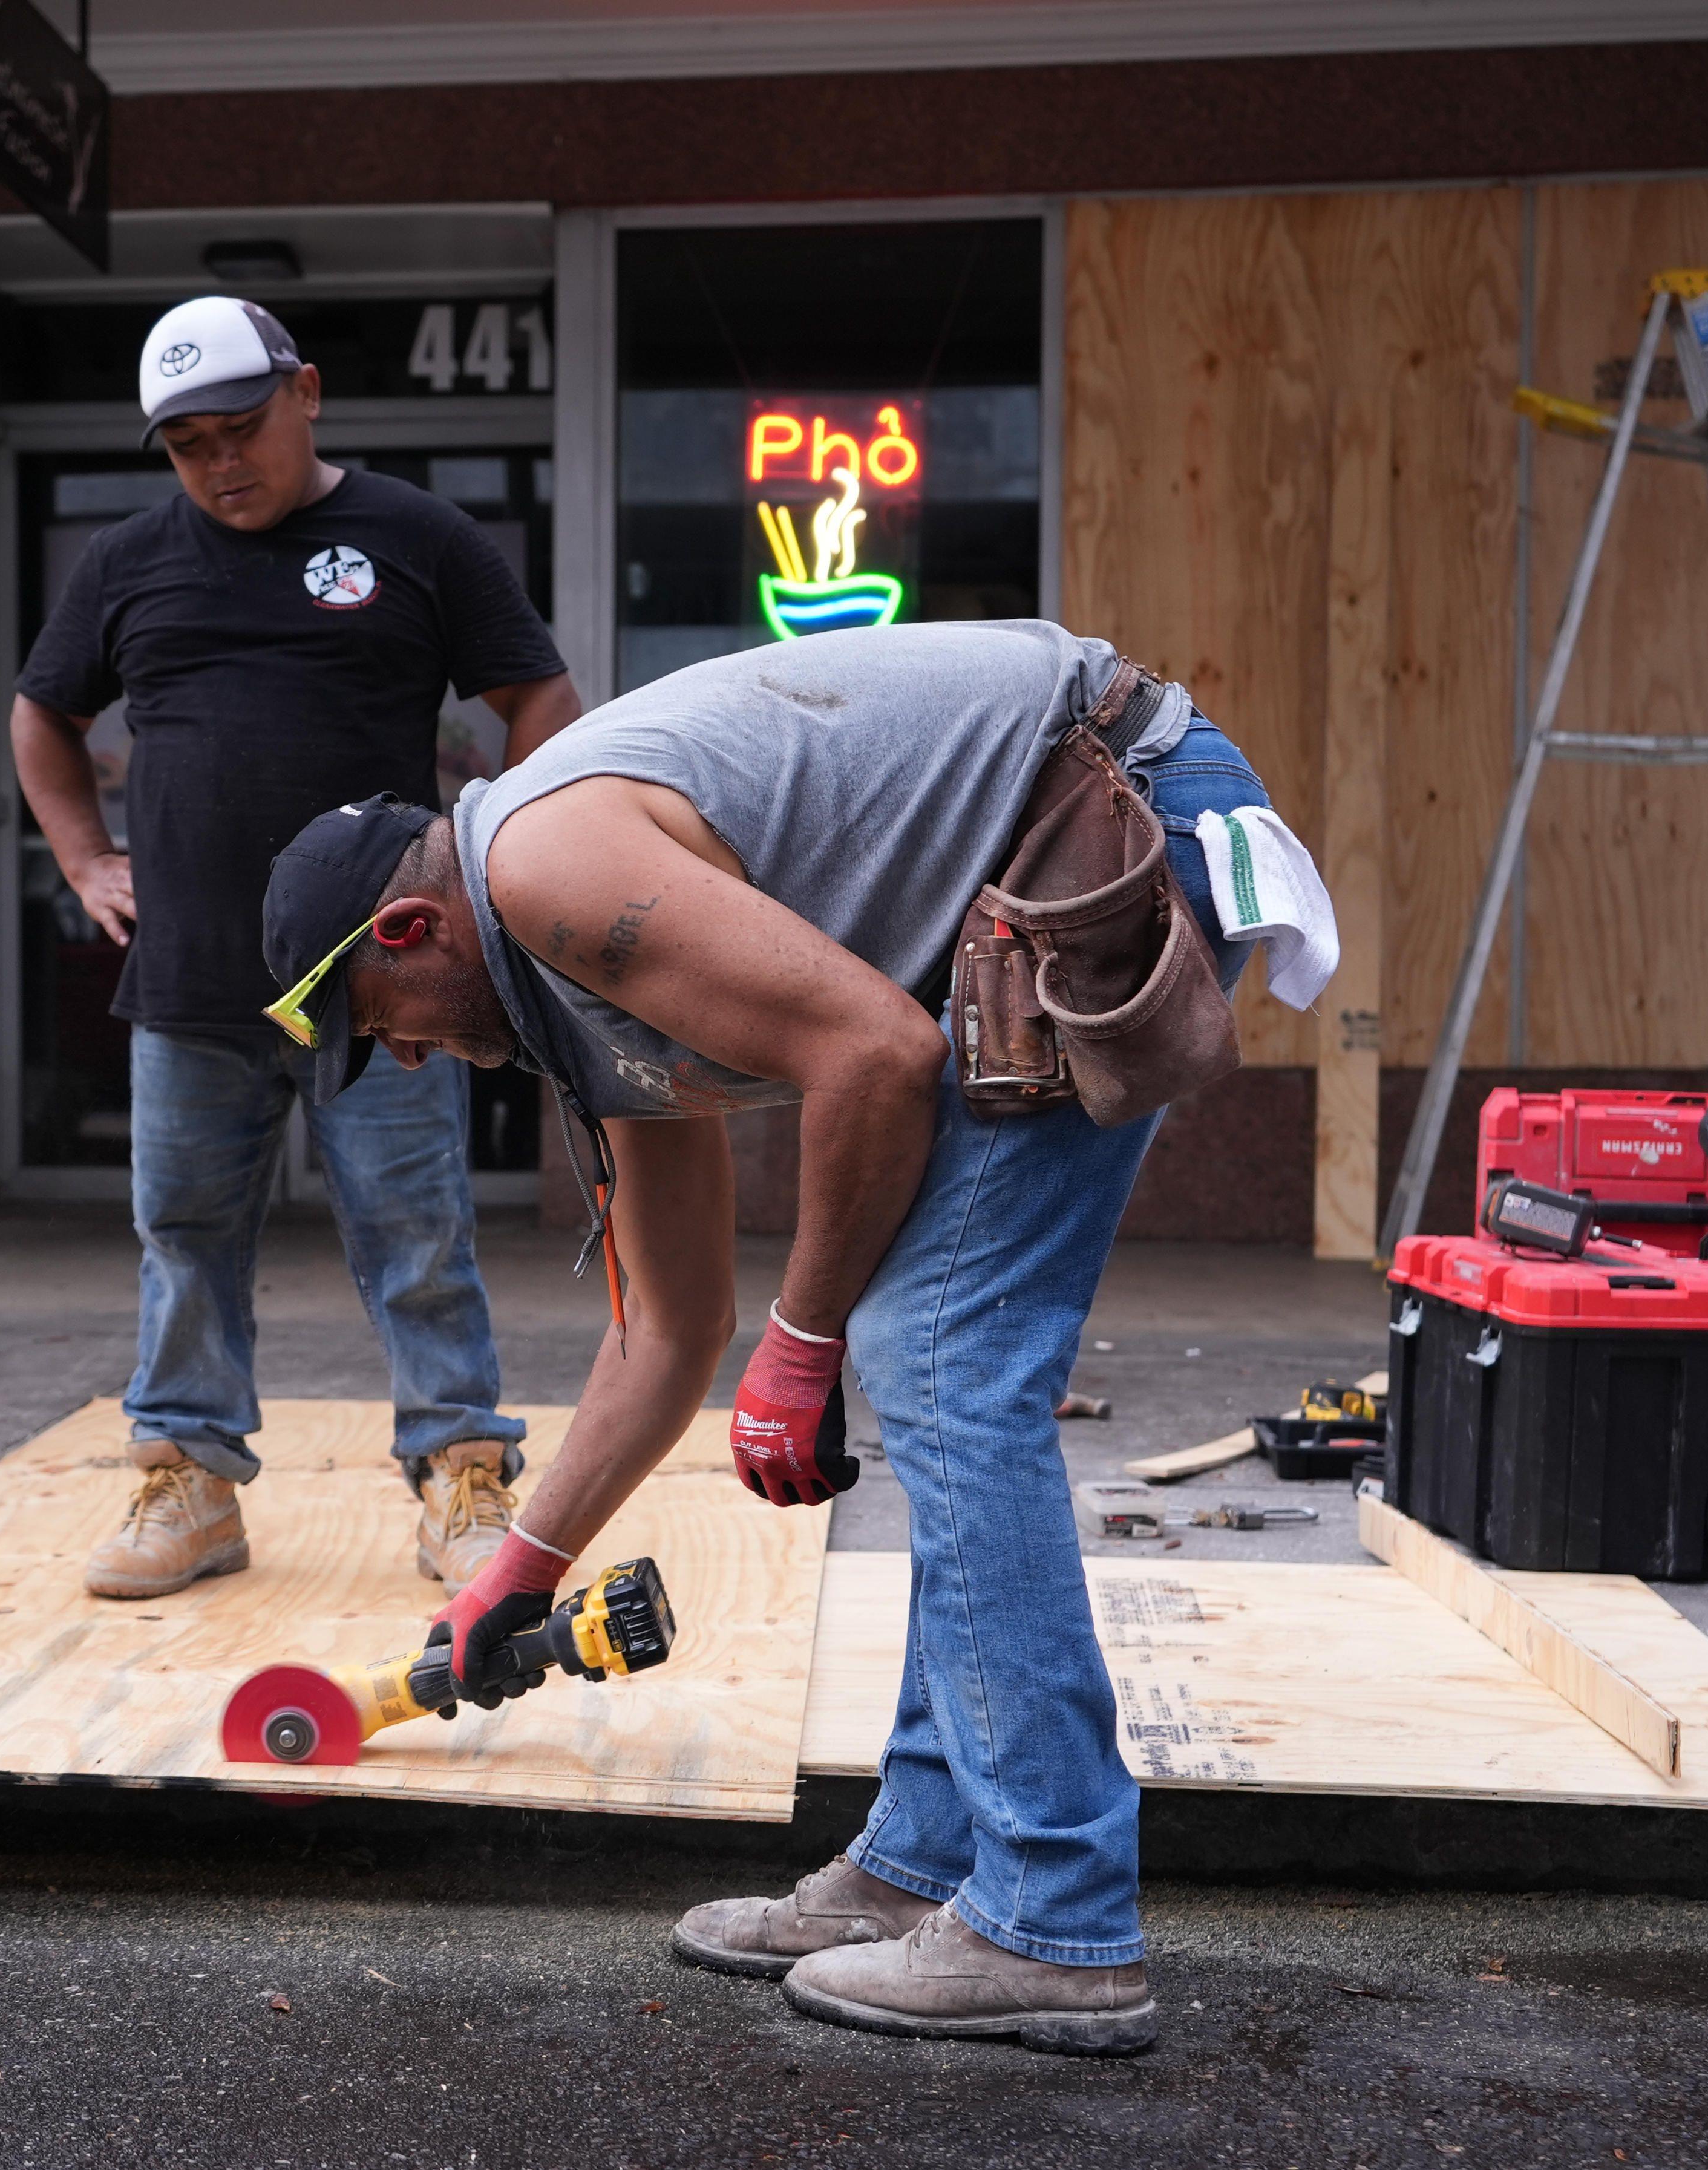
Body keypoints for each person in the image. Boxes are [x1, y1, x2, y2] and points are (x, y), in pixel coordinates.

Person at [256, 620, 1289, 2057]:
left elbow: (876, 1054)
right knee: (933, 1353)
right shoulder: (572, 991)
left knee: (935, 1354)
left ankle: (1053, 1919)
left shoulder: (545, 871)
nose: (418, 1057)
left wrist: (804, 1343)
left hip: (1103, 808)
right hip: (1050, 827)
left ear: (410, 930)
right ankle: (922, 1865)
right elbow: (671, 1328)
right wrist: (517, 1570)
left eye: (391, 1024)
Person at [9, 296, 583, 1603]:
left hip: (381, 983)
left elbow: (539, 696)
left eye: (240, 426)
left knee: (416, 1230)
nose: (218, 461)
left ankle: (459, 1478)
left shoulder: (415, 535)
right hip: (190, 976)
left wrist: (482, 861)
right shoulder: (125, 562)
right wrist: (84, 857)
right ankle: (189, 1482)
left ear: (306, 392)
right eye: (185, 442)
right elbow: (42, 712)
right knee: (185, 1228)